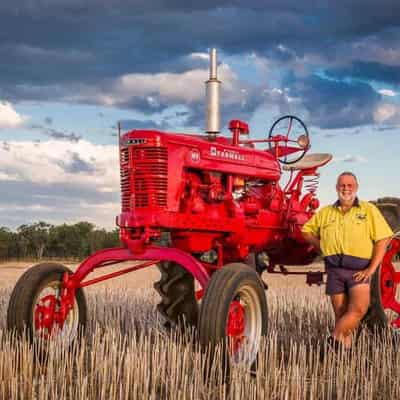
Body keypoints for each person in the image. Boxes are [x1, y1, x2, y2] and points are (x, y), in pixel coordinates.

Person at [302, 171, 393, 348]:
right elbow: (306, 230)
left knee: (358, 310)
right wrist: (323, 247)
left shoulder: (368, 210)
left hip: (358, 270)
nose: (346, 189)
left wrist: (371, 269)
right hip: (335, 269)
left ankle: (333, 340)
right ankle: (344, 353)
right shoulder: (326, 212)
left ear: (356, 188)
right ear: (337, 188)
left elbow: (383, 238)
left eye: (350, 185)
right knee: (341, 313)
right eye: (342, 185)